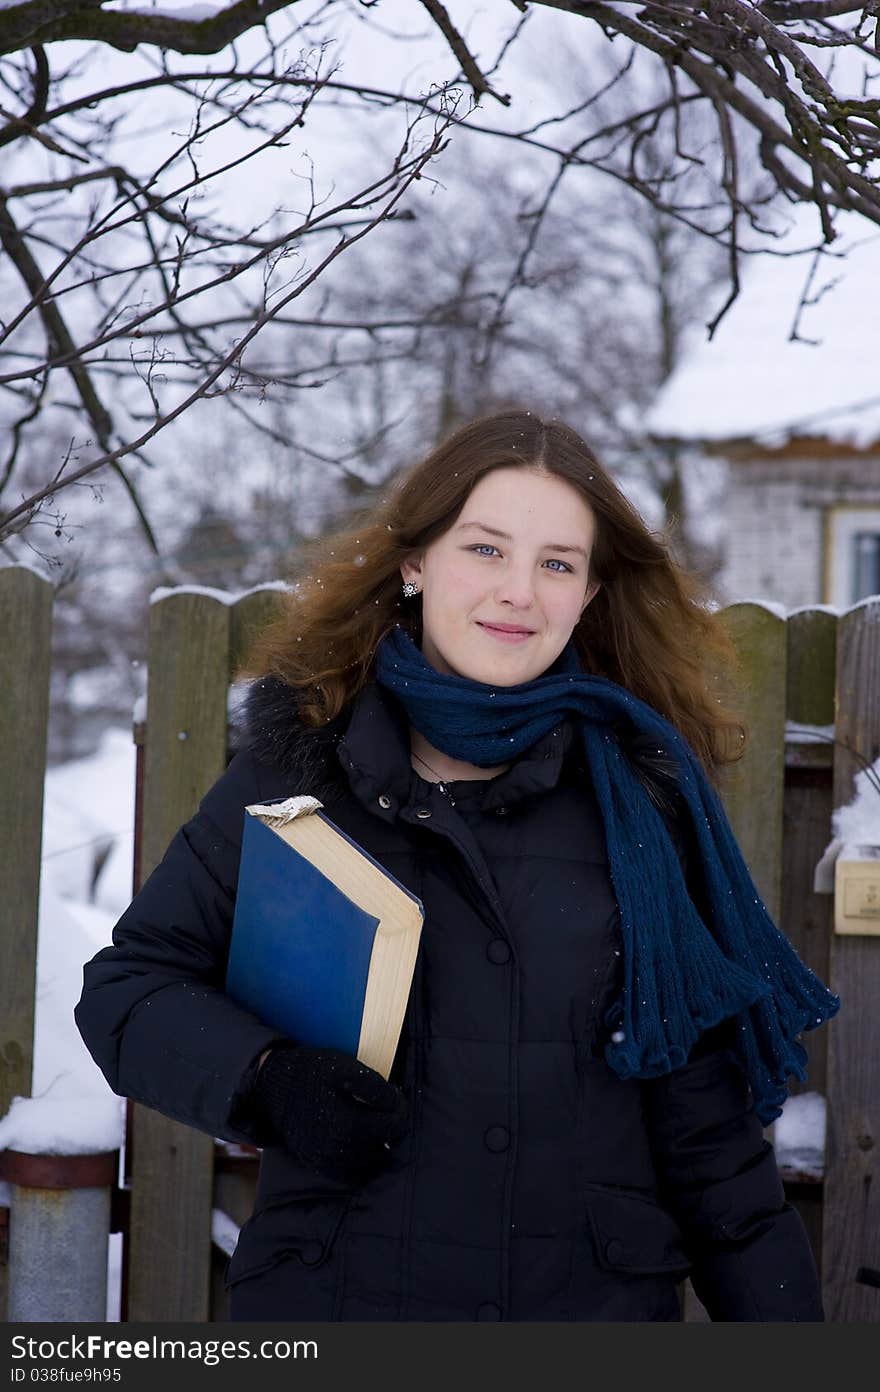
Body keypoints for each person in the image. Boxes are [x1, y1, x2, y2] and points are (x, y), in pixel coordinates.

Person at [75, 409, 839, 1322]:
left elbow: (706, 1133)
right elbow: (131, 987)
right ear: (415, 562)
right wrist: (269, 1079)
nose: (519, 591)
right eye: (485, 549)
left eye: (556, 563)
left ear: (590, 592)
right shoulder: (301, 772)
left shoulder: (642, 804)